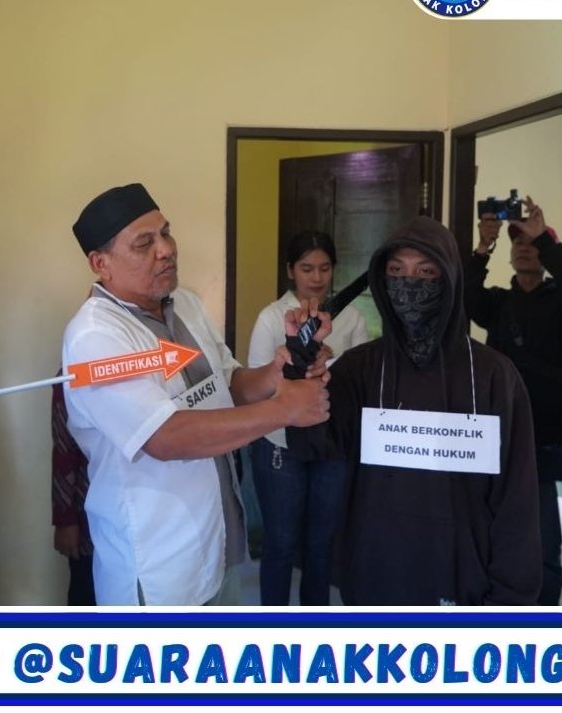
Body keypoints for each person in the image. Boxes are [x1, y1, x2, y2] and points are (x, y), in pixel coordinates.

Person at [61, 183, 331, 606]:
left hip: (219, 539)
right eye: (144, 244)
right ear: (101, 263)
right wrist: (284, 410)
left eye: (166, 233)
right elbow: (165, 437)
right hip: (160, 564)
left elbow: (228, 383)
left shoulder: (184, 303)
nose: (166, 250)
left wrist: (278, 372)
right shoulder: (96, 336)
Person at [290, 215, 540, 605]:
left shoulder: (494, 376)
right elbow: (311, 443)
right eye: (396, 271)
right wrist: (301, 364)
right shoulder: (359, 368)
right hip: (373, 582)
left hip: (465, 590)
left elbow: (517, 500)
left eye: (425, 272)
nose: (409, 283)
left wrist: (510, 603)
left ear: (449, 278)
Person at [464, 195, 562, 606]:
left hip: (548, 440)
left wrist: (545, 238)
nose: (525, 248)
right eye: (518, 243)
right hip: (497, 438)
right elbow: (464, 295)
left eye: (532, 243)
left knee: (545, 548)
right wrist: (484, 245)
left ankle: (543, 625)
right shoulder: (497, 303)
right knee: (492, 537)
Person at [247, 230, 368, 605]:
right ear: (290, 270)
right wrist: (299, 361)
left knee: (321, 544)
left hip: (331, 444)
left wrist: (331, 362)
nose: (316, 277)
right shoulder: (272, 318)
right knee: (281, 542)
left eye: (324, 268)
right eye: (306, 268)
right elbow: (256, 387)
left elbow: (360, 385)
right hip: (280, 442)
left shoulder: (351, 318)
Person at [50, 378, 96, 605]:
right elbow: (64, 447)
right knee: (87, 591)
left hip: (147, 515)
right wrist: (65, 519)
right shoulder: (72, 374)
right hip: (87, 514)